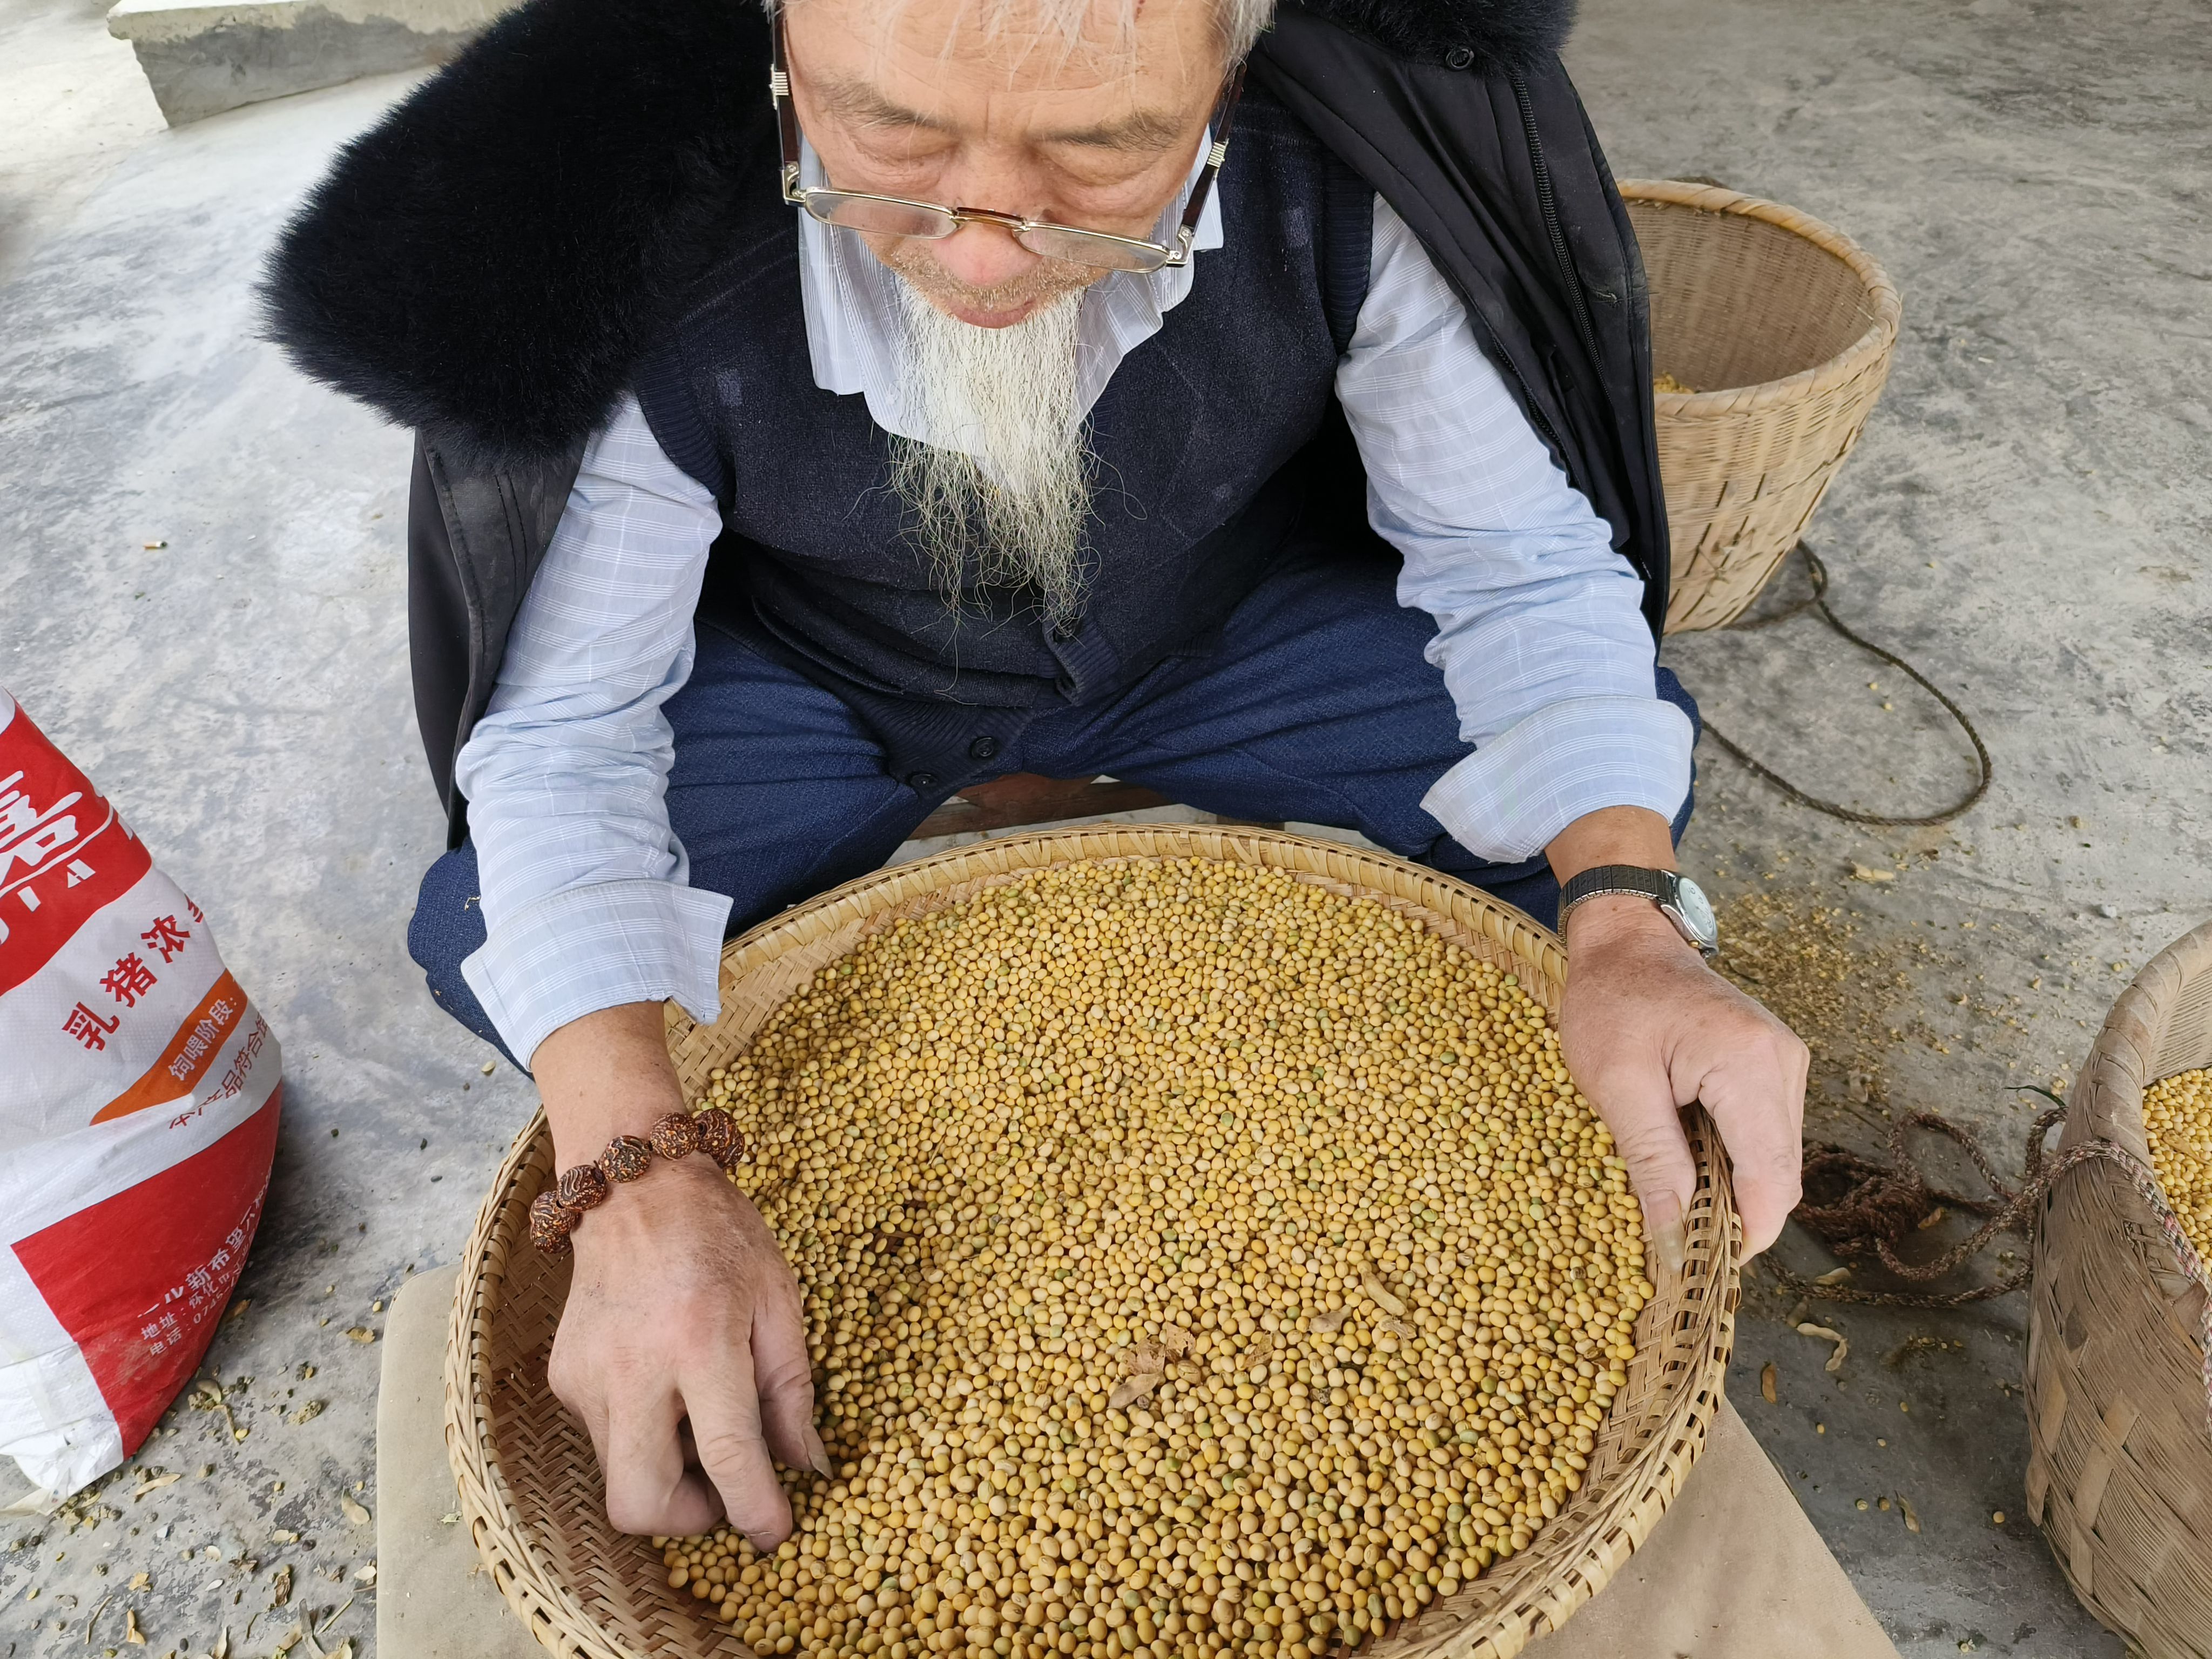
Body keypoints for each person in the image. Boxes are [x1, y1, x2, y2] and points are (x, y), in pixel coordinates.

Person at [267, 0, 1805, 1551]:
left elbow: (1520, 571)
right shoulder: (651, 242)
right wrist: (631, 1174)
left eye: (1103, 149)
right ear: (781, 41)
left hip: (1215, 630)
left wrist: (1624, 916)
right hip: (830, 676)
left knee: (1580, 792)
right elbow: (572, 728)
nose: (987, 252)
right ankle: (978, 797)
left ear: (1230, 74)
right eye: (892, 135)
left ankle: (1066, 789)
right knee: (506, 942)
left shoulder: (1340, 183)